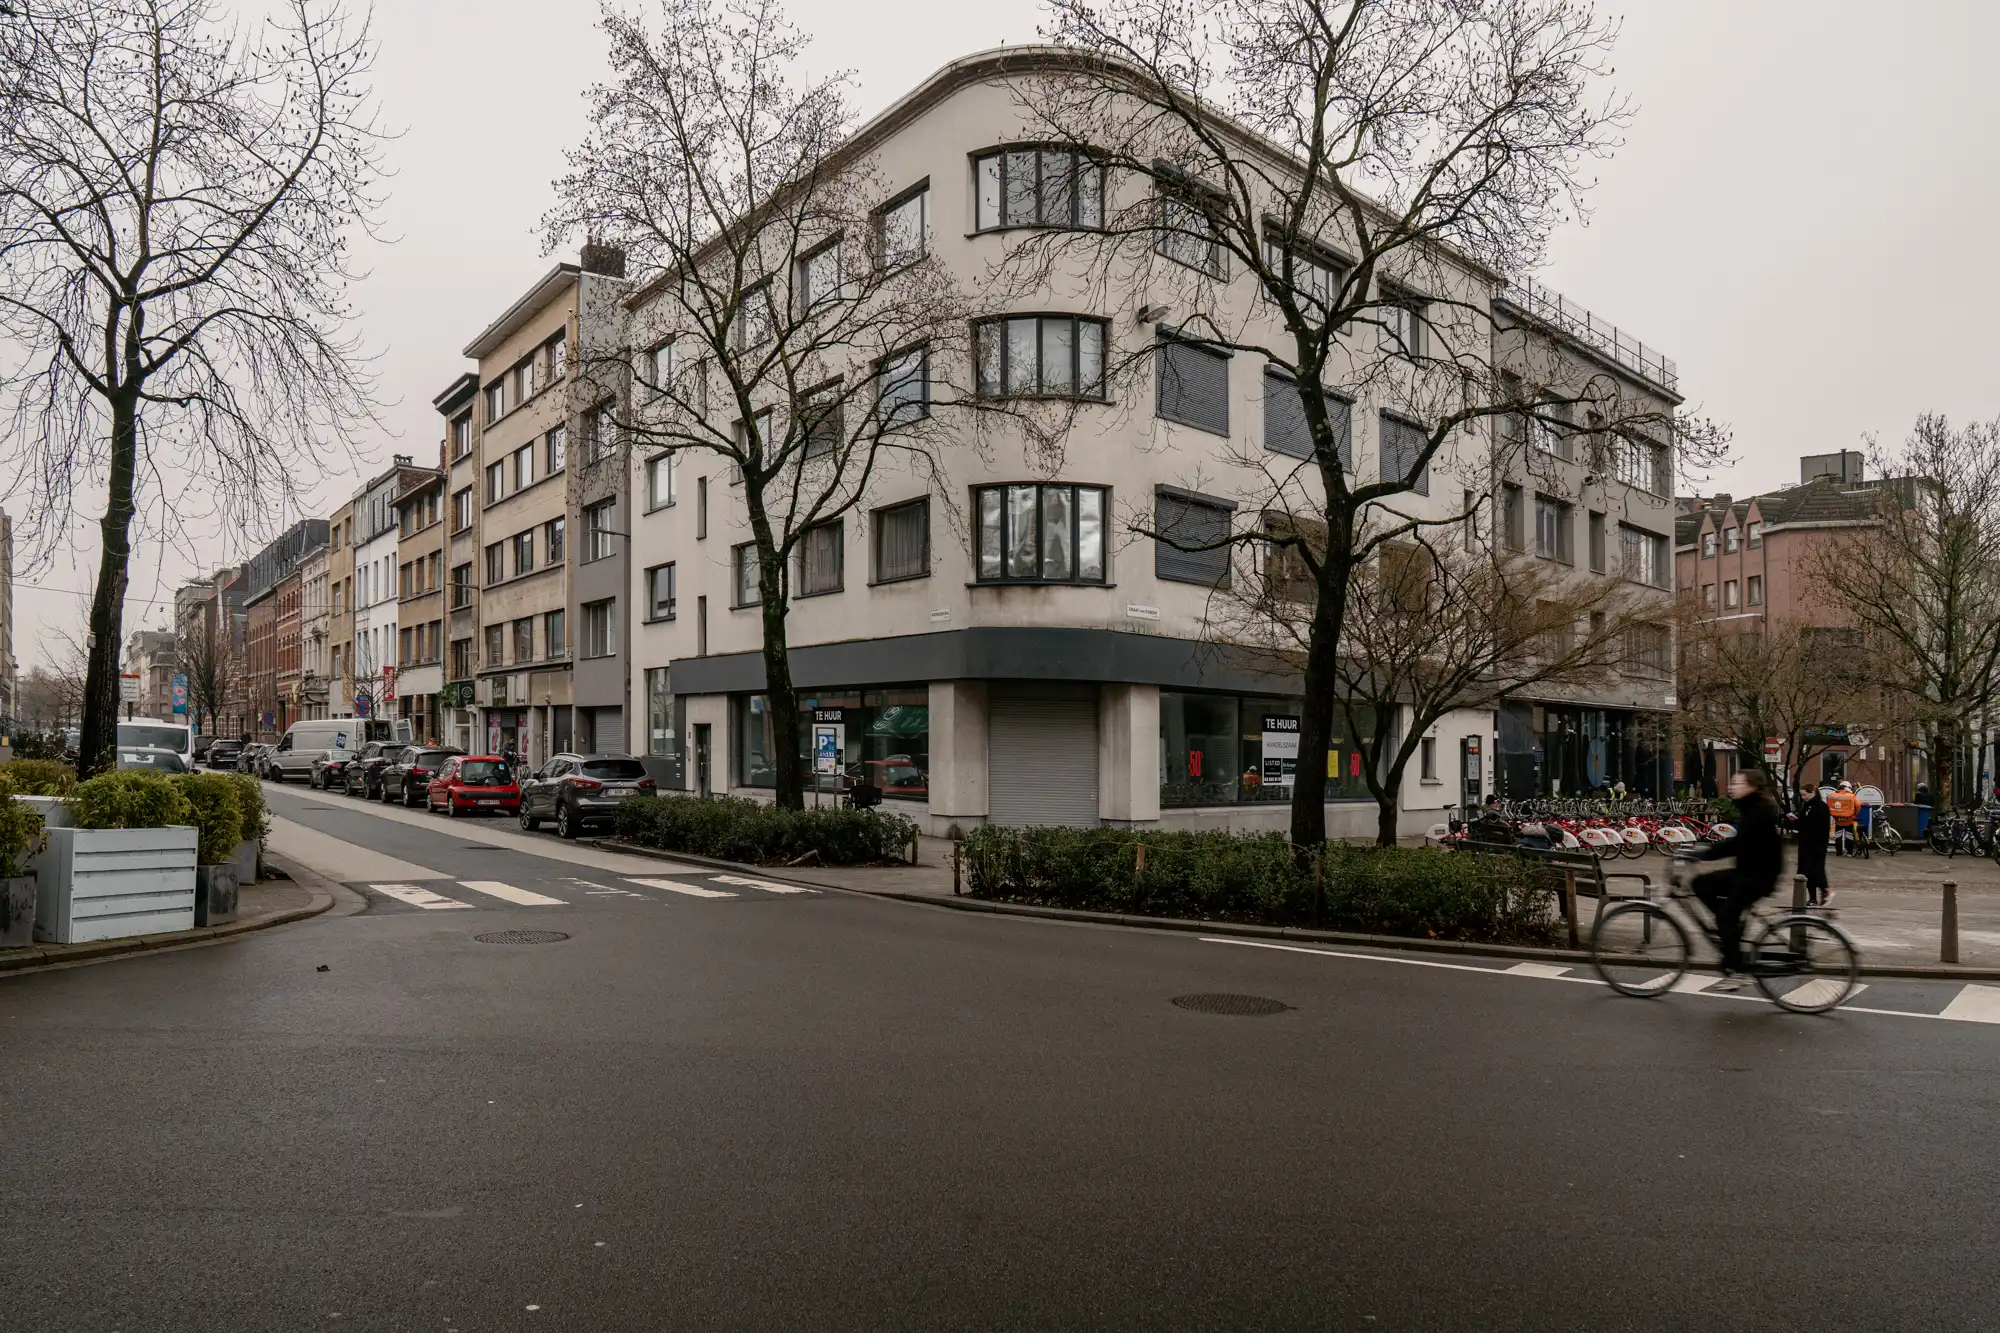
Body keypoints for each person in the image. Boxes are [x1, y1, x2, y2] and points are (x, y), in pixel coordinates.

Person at [1693, 769, 1784, 989]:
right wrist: (1701, 852)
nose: (1731, 787)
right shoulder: (1750, 808)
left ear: (1751, 787)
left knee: (1725, 916)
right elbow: (1738, 844)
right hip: (1748, 872)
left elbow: (1738, 845)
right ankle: (1731, 926)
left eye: (1737, 783)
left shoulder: (1758, 811)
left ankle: (1739, 971)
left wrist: (1702, 854)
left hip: (1757, 877)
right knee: (1700, 884)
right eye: (1731, 782)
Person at [1796, 787, 1832, 908]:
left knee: (1816, 870)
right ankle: (1812, 898)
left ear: (1813, 793)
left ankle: (1825, 890)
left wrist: (1821, 844)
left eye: (1805, 794)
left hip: (1816, 844)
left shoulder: (1821, 807)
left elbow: (1823, 827)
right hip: (1805, 844)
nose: (1803, 797)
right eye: (1802, 795)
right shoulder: (1805, 806)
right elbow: (1803, 822)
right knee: (1805, 872)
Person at [1825, 780, 1860, 857]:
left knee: (1838, 836)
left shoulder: (1832, 795)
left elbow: (1828, 805)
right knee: (1849, 836)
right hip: (1849, 819)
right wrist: (1854, 814)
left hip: (1837, 819)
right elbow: (1857, 805)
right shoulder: (1852, 796)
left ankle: (1839, 852)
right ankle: (1849, 853)